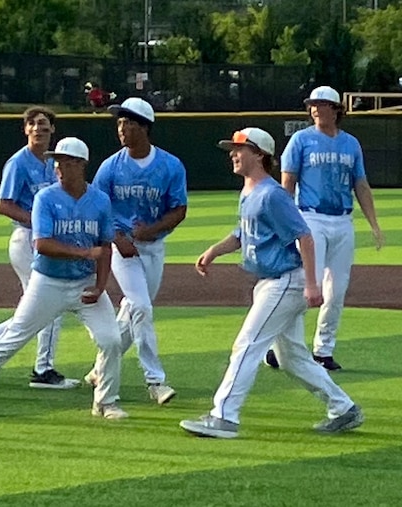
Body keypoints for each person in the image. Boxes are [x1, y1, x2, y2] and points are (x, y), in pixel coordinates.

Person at [179, 127, 364, 439]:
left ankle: (223, 416)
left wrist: (312, 284)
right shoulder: (250, 191)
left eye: (240, 149)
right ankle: (343, 408)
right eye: (232, 150)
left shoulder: (272, 195)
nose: (234, 155)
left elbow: (304, 236)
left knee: (247, 344)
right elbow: (243, 234)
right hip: (271, 282)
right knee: (292, 358)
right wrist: (213, 251)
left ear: (260, 155)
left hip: (285, 282)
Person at [0, 137, 126, 419]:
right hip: (48, 283)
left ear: (81, 165)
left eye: (66, 161)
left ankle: (105, 401)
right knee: (12, 339)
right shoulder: (46, 198)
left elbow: (105, 247)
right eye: (57, 162)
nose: (59, 167)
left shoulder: (99, 200)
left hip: (84, 284)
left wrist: (101, 286)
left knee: (111, 339)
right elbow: (43, 244)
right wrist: (85, 252)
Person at [266, 86, 384, 371]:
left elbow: (361, 185)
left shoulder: (350, 144)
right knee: (306, 286)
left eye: (322, 104)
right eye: (313, 105)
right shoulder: (301, 140)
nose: (316, 109)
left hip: (343, 220)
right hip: (310, 218)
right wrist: (287, 223)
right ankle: (277, 345)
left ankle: (323, 350)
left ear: (336, 110)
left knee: (337, 290)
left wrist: (374, 224)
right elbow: (287, 183)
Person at [0, 106, 79, 389]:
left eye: (45, 124)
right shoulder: (19, 162)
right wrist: (40, 223)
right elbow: (4, 204)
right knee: (49, 306)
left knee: (36, 308)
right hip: (27, 239)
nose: (39, 129)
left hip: (46, 240)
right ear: (25, 129)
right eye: (34, 124)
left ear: (53, 131)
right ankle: (43, 369)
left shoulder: (55, 164)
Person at [88, 97, 187, 405]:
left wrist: (152, 230)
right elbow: (97, 209)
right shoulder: (111, 167)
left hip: (153, 247)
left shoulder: (170, 165)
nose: (122, 128)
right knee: (142, 307)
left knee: (133, 313)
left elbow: (179, 209)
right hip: (123, 251)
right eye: (119, 123)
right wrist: (118, 238)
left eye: (128, 123)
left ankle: (100, 369)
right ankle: (155, 380)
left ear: (145, 127)